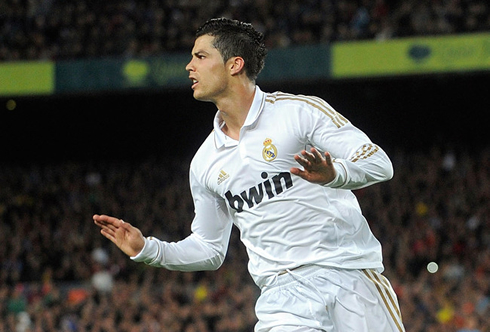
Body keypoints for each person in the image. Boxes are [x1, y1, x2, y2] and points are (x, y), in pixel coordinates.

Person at [93, 17, 405, 331]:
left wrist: (335, 173)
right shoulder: (205, 163)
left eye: (200, 57)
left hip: (350, 278)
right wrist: (147, 250)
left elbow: (378, 162)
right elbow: (209, 248)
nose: (189, 66)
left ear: (234, 64)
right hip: (284, 301)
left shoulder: (298, 113)